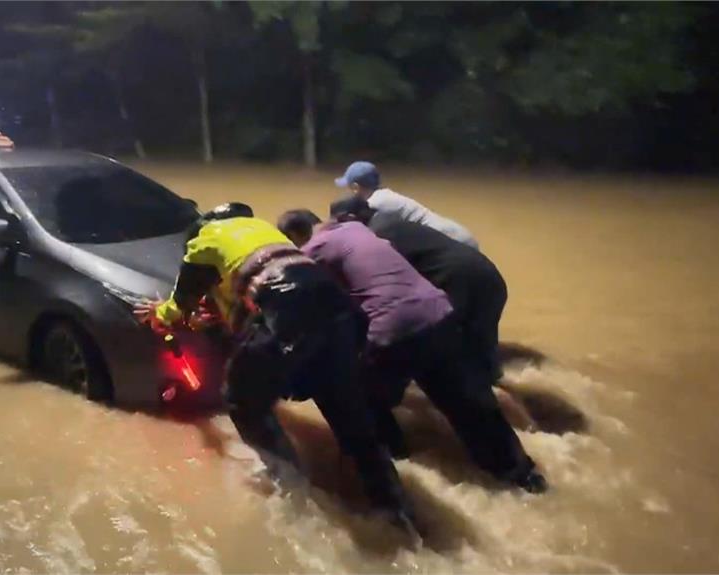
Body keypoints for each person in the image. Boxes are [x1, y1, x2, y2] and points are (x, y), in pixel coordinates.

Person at [135, 203, 420, 533]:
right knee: (345, 410)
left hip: (287, 309)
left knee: (241, 399)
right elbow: (249, 292)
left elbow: (180, 303)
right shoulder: (265, 233)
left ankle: (292, 492)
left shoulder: (204, 241)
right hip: (341, 312)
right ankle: (397, 510)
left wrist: (162, 314)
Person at [277, 209, 547, 493]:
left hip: (394, 328)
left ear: (295, 236)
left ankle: (402, 468)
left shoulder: (313, 250)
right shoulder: (357, 230)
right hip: (439, 313)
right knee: (470, 404)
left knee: (363, 398)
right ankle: (523, 476)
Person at [329, 195, 506, 382]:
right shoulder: (394, 222)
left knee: (448, 352)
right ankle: (514, 392)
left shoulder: (374, 236)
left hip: (459, 282)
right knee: (482, 349)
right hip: (488, 275)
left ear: (349, 218)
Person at [334, 161, 479, 248]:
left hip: (452, 241)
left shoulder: (375, 204)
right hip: (457, 233)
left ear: (355, 187)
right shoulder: (386, 195)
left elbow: (368, 240)